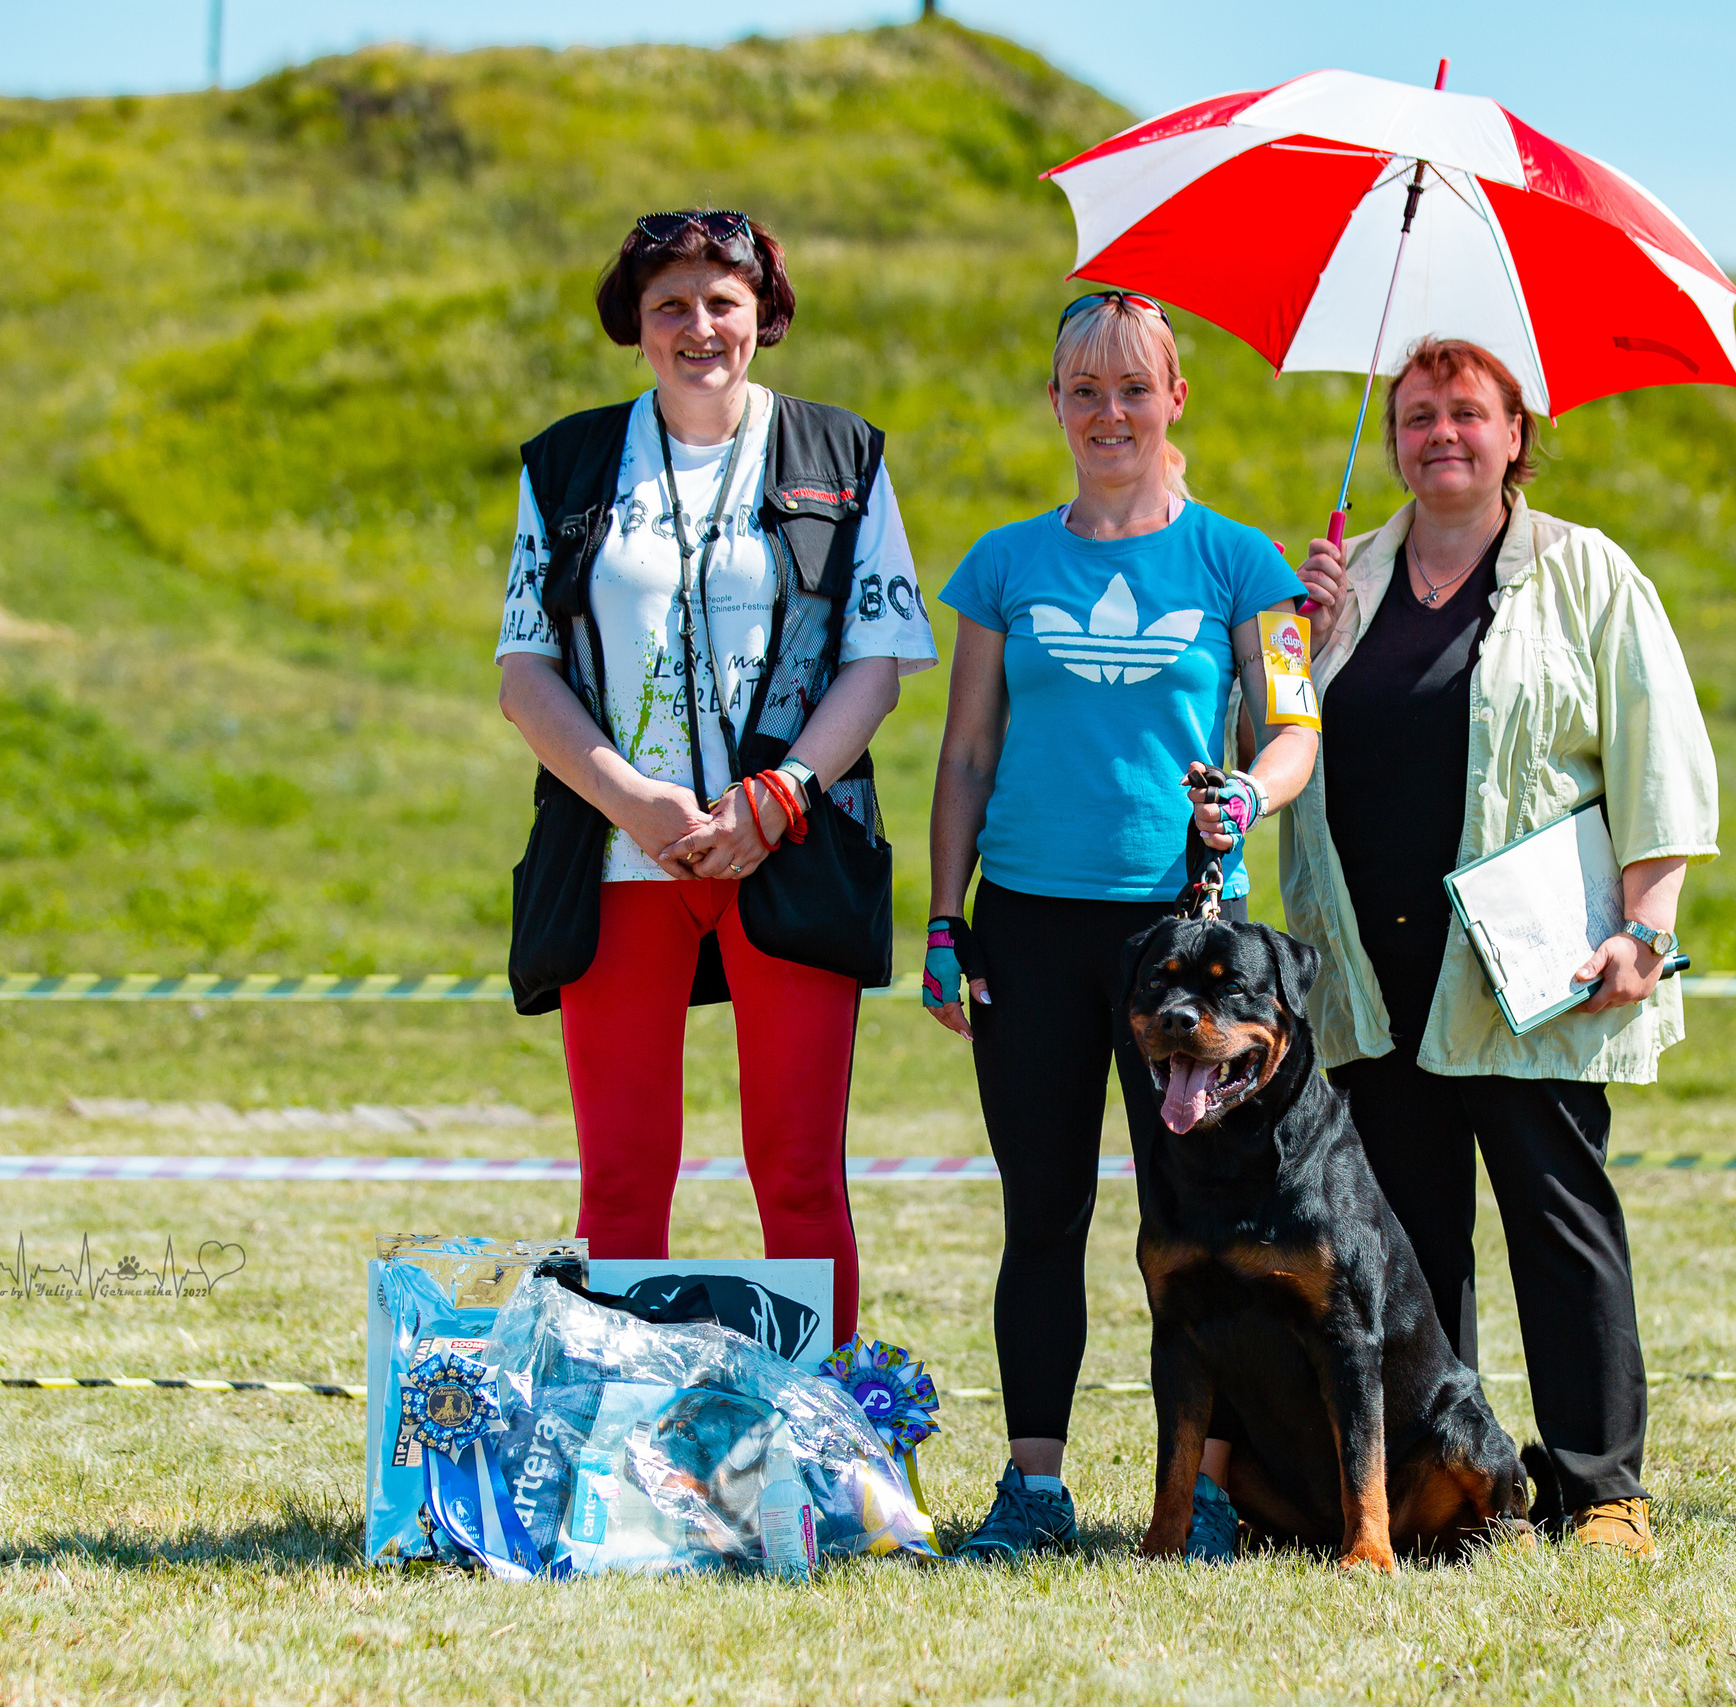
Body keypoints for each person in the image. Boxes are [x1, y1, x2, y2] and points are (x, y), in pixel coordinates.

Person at [1281, 336, 1719, 1558]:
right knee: (1407, 1248)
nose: (1440, 435)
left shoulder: (1587, 573)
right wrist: (1295, 638)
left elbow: (1657, 760)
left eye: (1467, 413)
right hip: (1373, 970)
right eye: (1416, 415)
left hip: (1533, 969)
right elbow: (1272, 753)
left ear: (1516, 434)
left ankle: (1602, 1491)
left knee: (1558, 1221)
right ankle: (1453, 1490)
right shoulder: (1344, 581)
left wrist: (1647, 928)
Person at [922, 291, 1317, 1562]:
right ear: (1054, 404)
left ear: (1175, 401)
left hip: (1184, 934)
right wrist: (942, 917)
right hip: (1027, 928)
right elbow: (969, 748)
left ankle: (1200, 1493)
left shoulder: (1245, 563)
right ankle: (1032, 1490)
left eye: (1133, 389)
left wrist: (1250, 789)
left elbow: (1297, 726)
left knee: (1187, 1228)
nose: (1109, 413)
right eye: (1083, 390)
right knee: (1041, 1215)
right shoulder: (1002, 564)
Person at [494, 210, 936, 1346]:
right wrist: (630, 801)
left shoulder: (845, 452)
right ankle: (604, 1456)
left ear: (765, 316)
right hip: (616, 853)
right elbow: (525, 676)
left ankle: (833, 1455)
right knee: (623, 1181)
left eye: (722, 301)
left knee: (795, 1174)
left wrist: (780, 793)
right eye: (669, 306)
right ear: (634, 327)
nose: (699, 326)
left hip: (787, 841)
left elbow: (875, 666)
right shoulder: (567, 460)